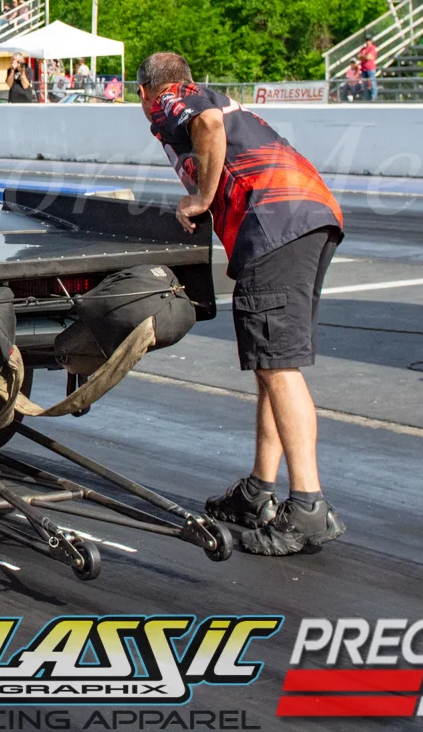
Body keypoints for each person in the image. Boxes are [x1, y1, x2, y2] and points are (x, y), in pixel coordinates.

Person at [137, 51, 346, 555]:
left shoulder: (171, 99)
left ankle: (308, 506)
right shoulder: (215, 97)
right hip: (308, 214)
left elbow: (207, 124)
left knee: (279, 369)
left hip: (274, 220)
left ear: (144, 92)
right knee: (272, 364)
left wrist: (200, 198)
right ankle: (259, 489)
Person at [357, 36, 378, 101]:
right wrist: (365, 56)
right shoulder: (363, 49)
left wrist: (363, 56)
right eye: (366, 40)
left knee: (372, 83)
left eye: (368, 40)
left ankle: (373, 98)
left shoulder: (373, 48)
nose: (367, 41)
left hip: (370, 68)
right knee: (364, 84)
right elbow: (358, 57)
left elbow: (369, 57)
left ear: (371, 41)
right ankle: (365, 98)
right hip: (363, 69)